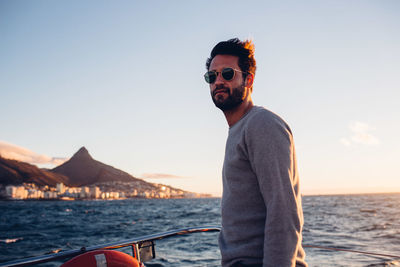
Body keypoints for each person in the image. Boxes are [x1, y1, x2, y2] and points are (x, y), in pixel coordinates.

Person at [204, 38, 307, 267]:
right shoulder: (238, 129)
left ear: (248, 79)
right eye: (212, 76)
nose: (218, 81)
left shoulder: (261, 124)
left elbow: (283, 210)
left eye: (228, 74)